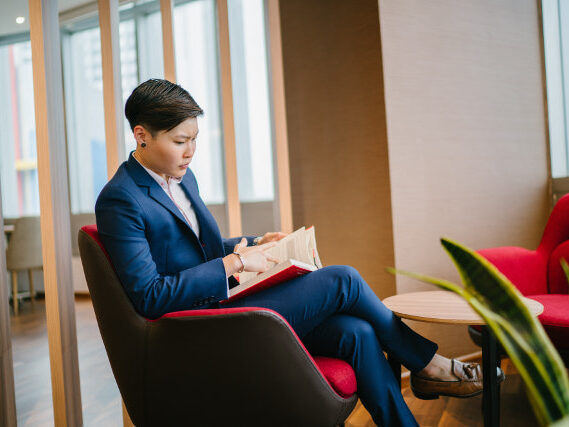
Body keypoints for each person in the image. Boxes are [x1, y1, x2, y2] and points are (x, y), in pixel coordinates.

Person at [96, 79, 496, 427]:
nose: (190, 152)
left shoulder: (181, 176)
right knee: (343, 279)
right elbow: (149, 295)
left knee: (356, 332)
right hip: (198, 329)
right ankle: (427, 364)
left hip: (225, 303)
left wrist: (252, 244)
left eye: (195, 139)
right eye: (180, 141)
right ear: (141, 135)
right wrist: (234, 263)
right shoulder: (121, 200)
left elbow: (195, 248)